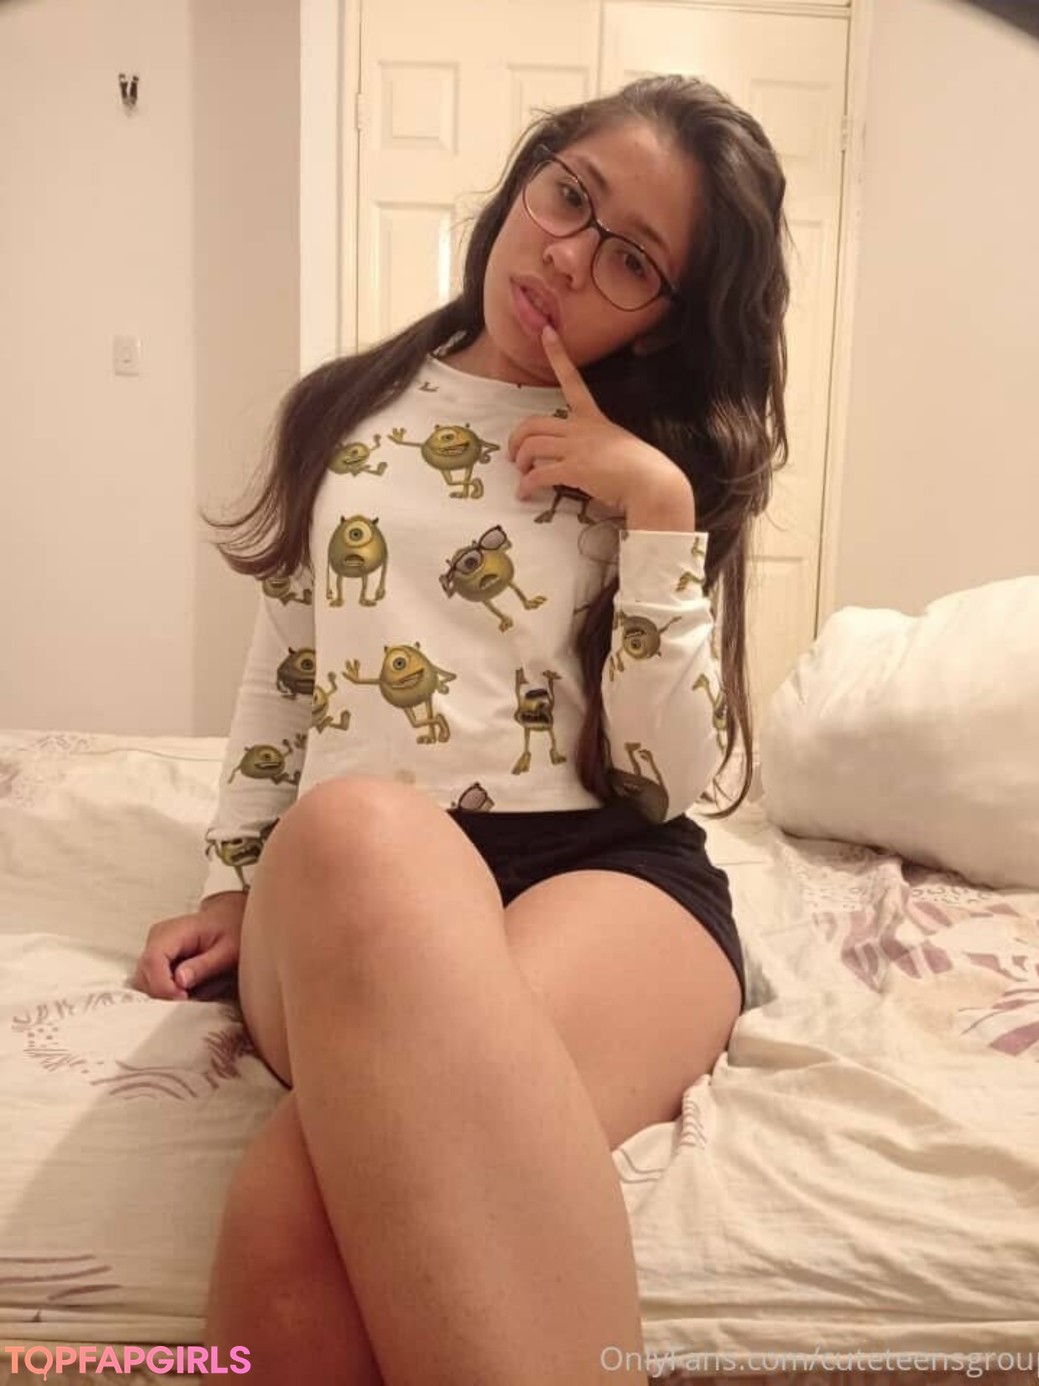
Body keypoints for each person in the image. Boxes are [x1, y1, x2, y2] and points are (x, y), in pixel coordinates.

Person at [134, 73, 789, 1386]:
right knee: (364, 829)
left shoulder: (659, 459)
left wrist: (660, 515)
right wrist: (232, 880)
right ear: (529, 174)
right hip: (352, 890)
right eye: (570, 195)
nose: (569, 255)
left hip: (608, 872)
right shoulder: (347, 410)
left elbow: (669, 777)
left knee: (296, 1214)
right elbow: (288, 669)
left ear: (669, 317)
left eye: (632, 259)